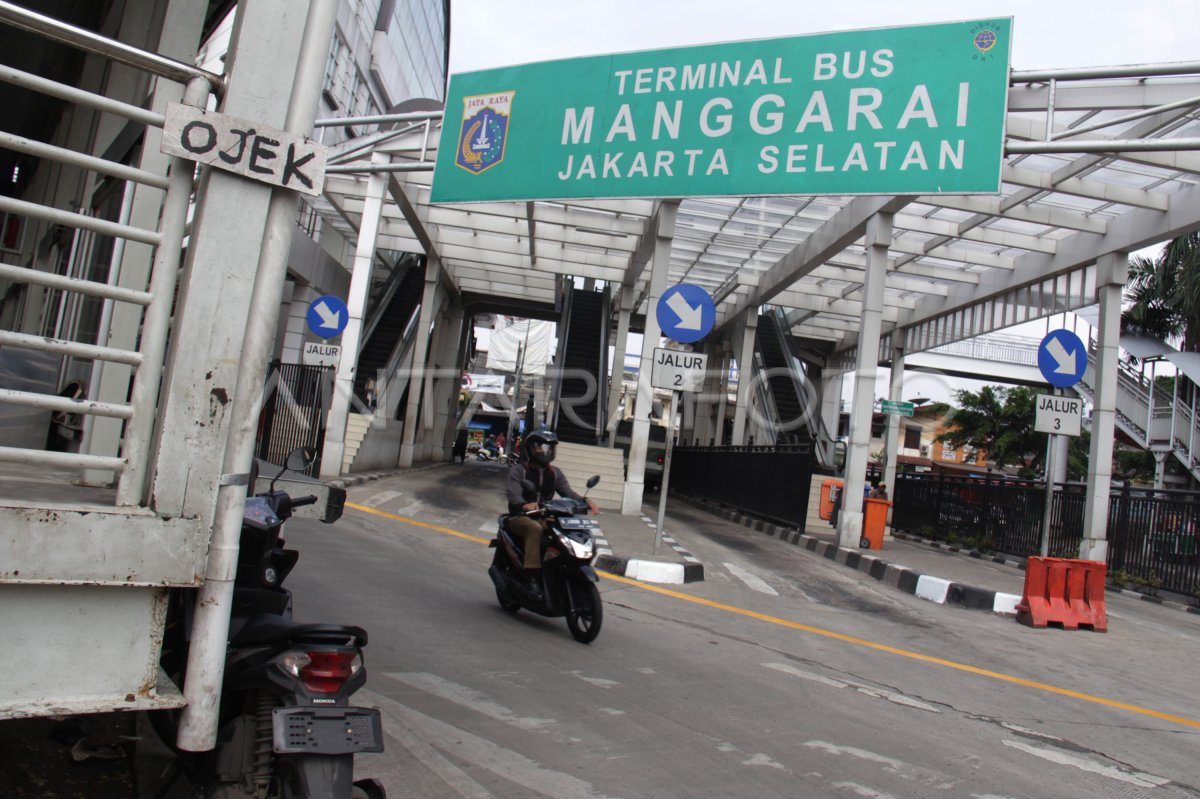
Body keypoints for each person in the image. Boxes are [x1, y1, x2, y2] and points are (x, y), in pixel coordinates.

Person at [505, 427, 599, 597]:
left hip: (545, 517)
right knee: (535, 529)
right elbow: (513, 495)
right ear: (531, 449)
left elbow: (568, 493)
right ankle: (532, 577)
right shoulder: (519, 471)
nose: (545, 451)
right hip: (520, 517)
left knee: (567, 531)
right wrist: (525, 505)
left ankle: (560, 570)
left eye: (549, 448)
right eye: (541, 447)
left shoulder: (555, 473)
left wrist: (585, 502)